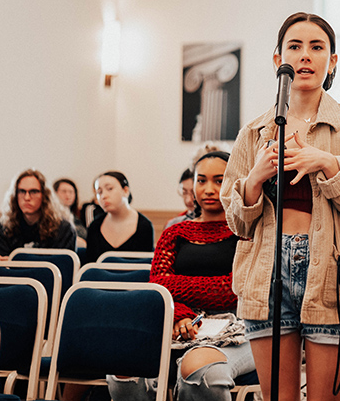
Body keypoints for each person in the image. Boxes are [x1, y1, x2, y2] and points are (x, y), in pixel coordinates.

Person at [221, 12, 340, 401]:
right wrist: (255, 178)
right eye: (295, 46)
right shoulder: (255, 131)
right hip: (265, 271)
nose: (306, 56)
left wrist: (327, 163)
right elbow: (235, 222)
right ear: (278, 60)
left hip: (332, 270)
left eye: (317, 47)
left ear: (332, 61)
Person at [108, 151, 254, 401]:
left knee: (200, 371)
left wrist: (176, 290)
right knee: (123, 369)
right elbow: (157, 286)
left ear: (235, 181)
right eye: (201, 180)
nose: (209, 189)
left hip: (239, 328)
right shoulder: (175, 232)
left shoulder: (247, 230)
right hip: (175, 325)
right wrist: (181, 315)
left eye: (219, 180)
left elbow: (234, 290)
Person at [0, 168, 76, 257]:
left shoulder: (64, 230)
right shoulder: (4, 228)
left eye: (33, 192)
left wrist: (14, 261)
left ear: (44, 195)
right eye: (22, 191)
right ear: (15, 196)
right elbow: (1, 268)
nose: (27, 197)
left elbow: (62, 267)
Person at [84, 171, 154, 264]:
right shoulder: (95, 226)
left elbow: (145, 268)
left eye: (109, 189)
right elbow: (90, 267)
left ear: (125, 191)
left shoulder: (144, 225)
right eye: (99, 192)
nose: (104, 196)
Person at [53, 177, 87, 241]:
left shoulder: (79, 215)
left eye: (71, 192)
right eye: (64, 191)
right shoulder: (51, 216)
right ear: (54, 193)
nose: (68, 195)